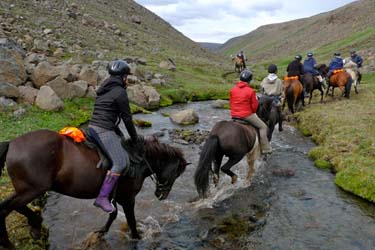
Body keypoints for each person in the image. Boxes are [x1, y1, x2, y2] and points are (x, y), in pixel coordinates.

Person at [88, 60, 139, 213]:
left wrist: (120, 134)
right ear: (123, 77)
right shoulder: (120, 92)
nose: (127, 80)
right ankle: (102, 197)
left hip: (93, 126)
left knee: (121, 141)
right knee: (120, 162)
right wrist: (134, 138)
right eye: (126, 77)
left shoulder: (105, 88)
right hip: (103, 129)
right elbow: (127, 119)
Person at [230, 69, 272, 154]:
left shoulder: (233, 89)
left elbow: (231, 103)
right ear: (249, 80)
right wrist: (252, 112)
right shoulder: (251, 91)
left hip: (234, 115)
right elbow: (254, 107)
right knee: (263, 127)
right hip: (246, 115)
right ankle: (265, 149)